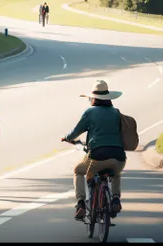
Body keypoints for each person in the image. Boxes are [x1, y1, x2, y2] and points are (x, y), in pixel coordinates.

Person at [61, 80, 126, 221]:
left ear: (94, 98)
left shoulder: (90, 112)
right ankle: (115, 199)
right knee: (116, 173)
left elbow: (75, 133)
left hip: (97, 155)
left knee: (78, 171)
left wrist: (66, 138)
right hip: (118, 156)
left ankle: (81, 204)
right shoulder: (116, 112)